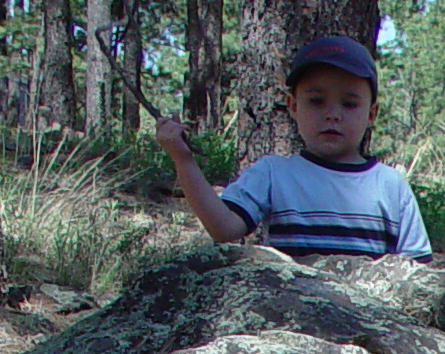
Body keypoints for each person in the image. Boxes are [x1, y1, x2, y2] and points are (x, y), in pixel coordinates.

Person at [155, 35, 431, 261]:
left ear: (371, 114)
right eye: (316, 101)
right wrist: (184, 160)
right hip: (292, 320)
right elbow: (224, 228)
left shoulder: (391, 185)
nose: (333, 114)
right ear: (293, 106)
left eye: (349, 104)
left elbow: (418, 274)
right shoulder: (273, 174)